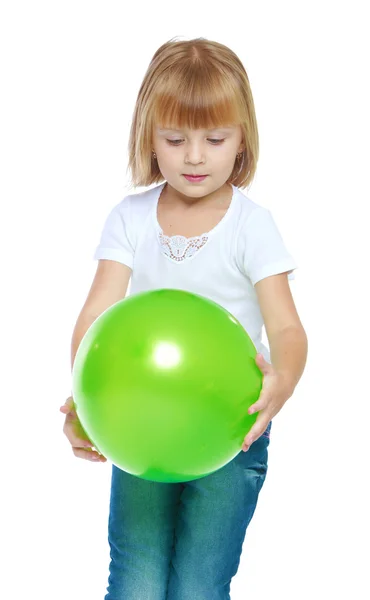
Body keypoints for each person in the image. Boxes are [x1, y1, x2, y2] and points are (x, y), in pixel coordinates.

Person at [61, 37, 308, 600]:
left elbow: (288, 327)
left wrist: (283, 383)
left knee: (199, 586)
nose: (195, 156)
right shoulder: (130, 219)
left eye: (215, 139)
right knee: (135, 582)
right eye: (175, 139)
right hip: (141, 429)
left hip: (231, 432)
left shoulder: (252, 226)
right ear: (149, 138)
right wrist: (85, 404)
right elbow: (97, 315)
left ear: (242, 140)